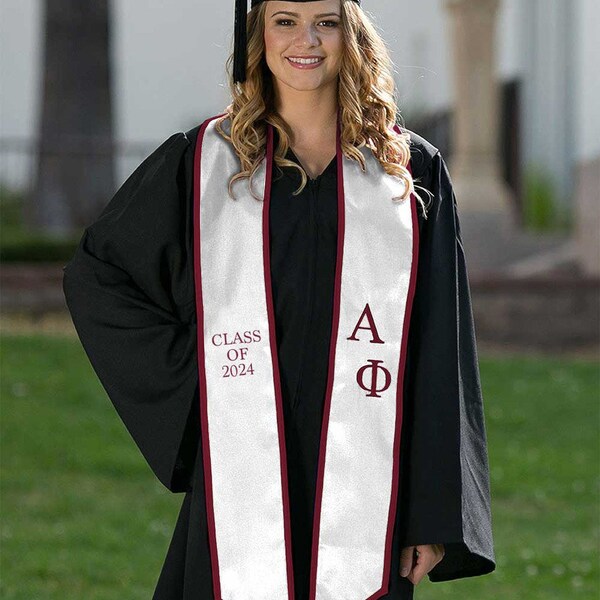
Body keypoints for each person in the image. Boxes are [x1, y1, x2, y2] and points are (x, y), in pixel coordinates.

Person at [62, 1, 496, 598]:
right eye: (285, 20)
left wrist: (430, 511)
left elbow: (438, 342)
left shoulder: (407, 171)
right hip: (242, 467)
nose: (307, 39)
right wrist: (196, 385)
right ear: (258, 37)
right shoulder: (205, 162)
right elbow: (99, 275)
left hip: (370, 479)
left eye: (327, 21)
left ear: (352, 33)